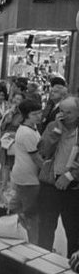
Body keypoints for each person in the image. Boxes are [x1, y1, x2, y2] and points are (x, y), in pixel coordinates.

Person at [37, 96, 79, 257]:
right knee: (46, 227)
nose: (63, 115)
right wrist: (56, 131)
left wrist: (70, 176)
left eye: (68, 112)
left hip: (73, 186)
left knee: (74, 230)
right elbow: (43, 151)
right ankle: (41, 263)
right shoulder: (53, 126)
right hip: (50, 183)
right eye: (61, 111)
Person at [9, 99, 43, 244]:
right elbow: (37, 159)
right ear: (26, 116)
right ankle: (33, 244)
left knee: (18, 207)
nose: (39, 116)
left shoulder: (32, 129)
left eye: (39, 112)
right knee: (31, 214)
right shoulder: (27, 133)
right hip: (29, 178)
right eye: (34, 114)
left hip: (23, 175)